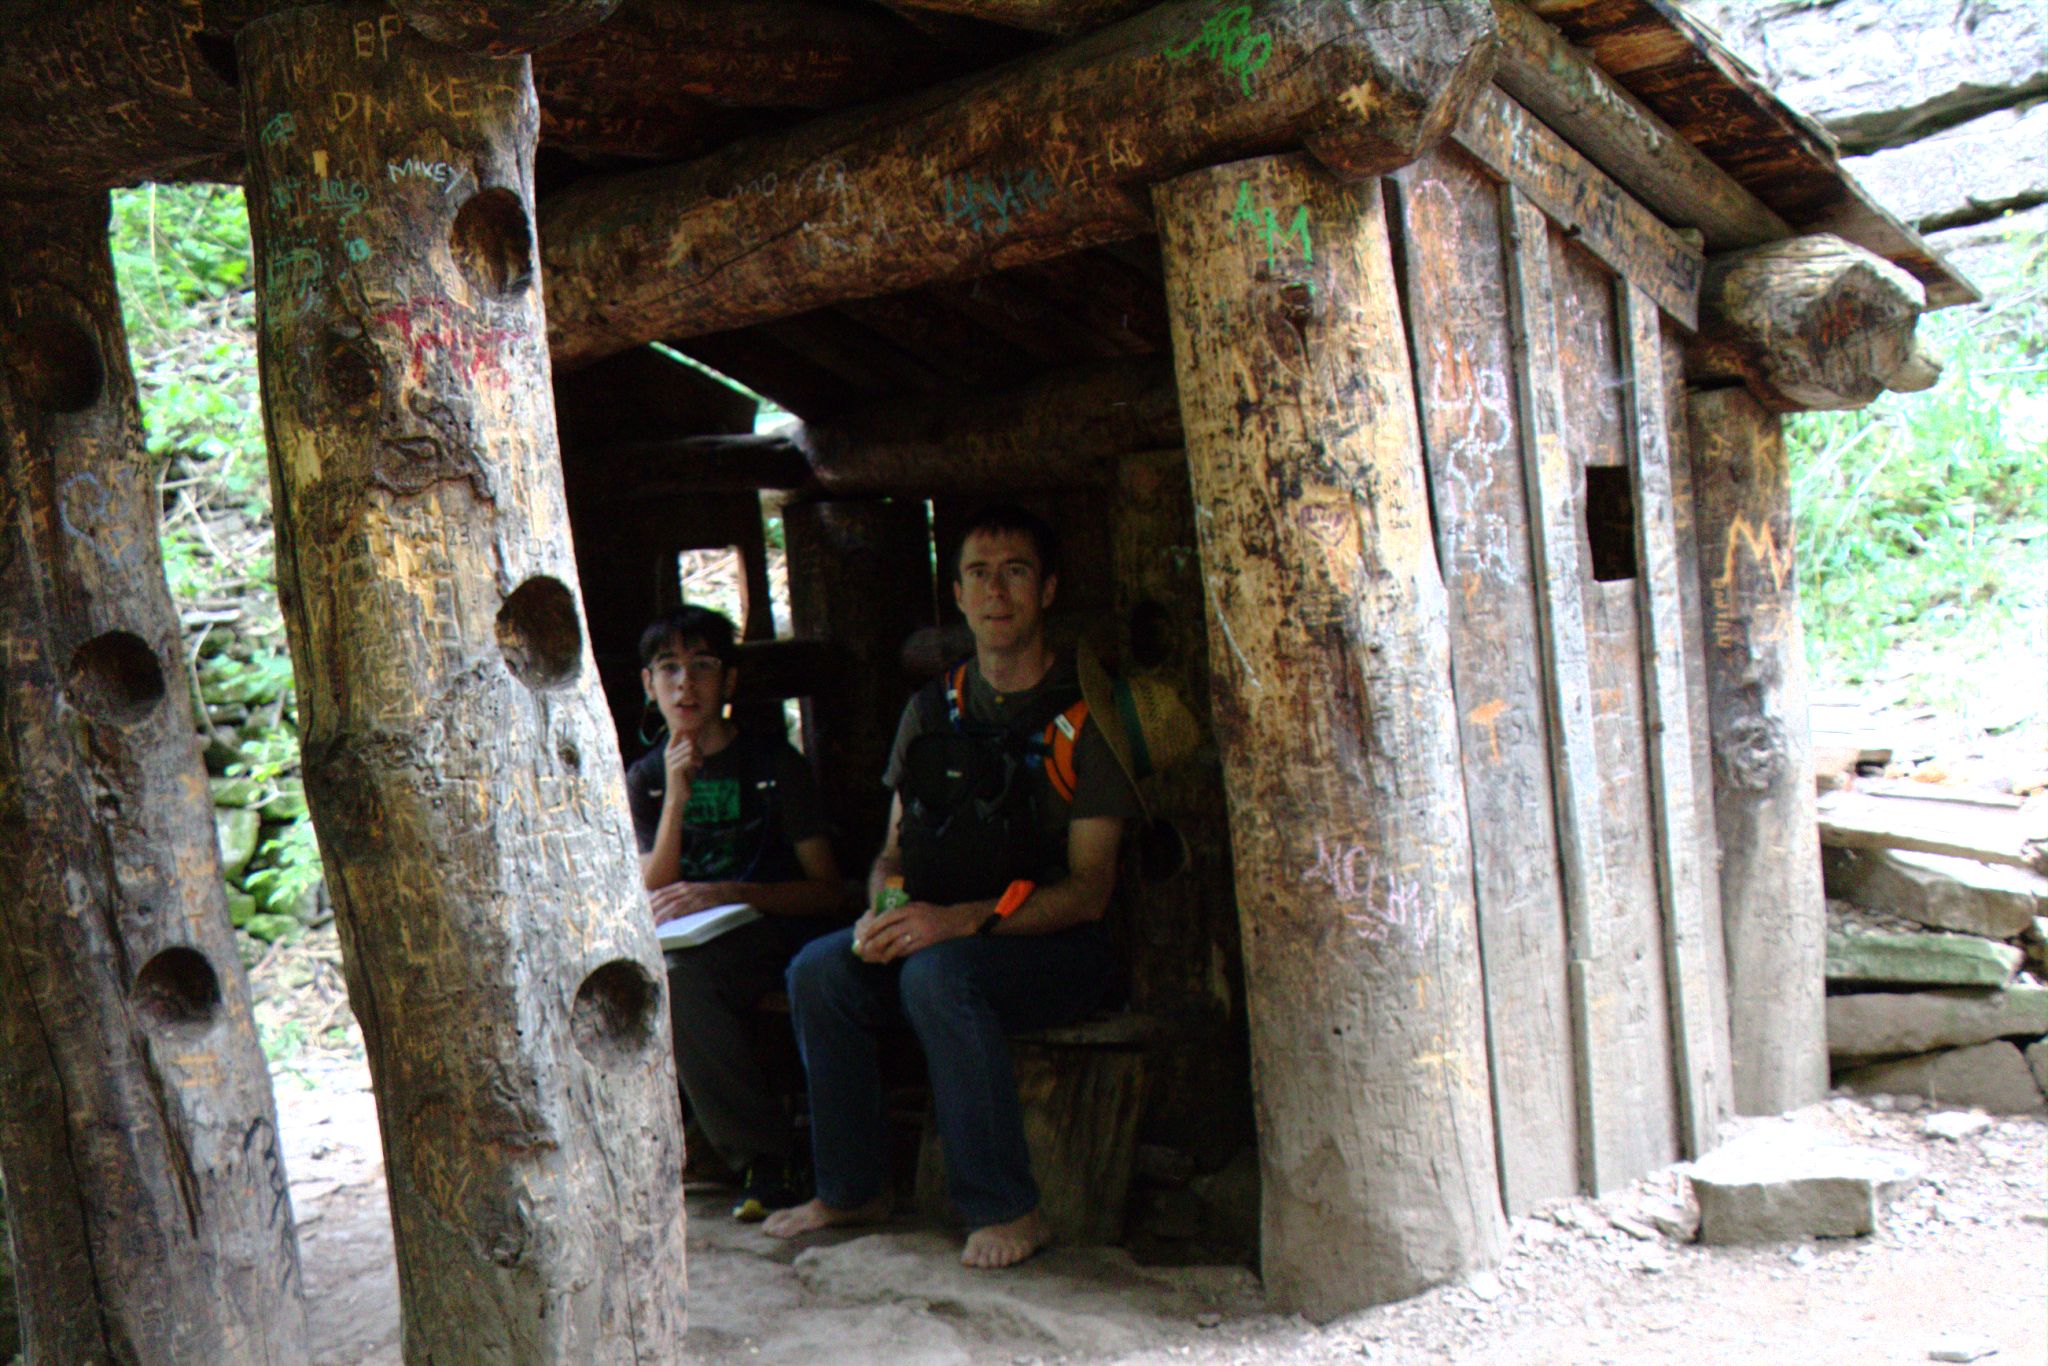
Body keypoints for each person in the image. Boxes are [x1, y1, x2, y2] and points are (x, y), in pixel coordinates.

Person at [764, 506, 1141, 1268]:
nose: (996, 591)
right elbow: (893, 852)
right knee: (821, 970)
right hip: (942, 933)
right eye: (978, 573)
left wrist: (955, 923)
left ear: (1048, 591)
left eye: (1016, 572)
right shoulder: (932, 709)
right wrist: (889, 912)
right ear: (960, 597)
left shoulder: (1084, 715)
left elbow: (1090, 890)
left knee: (939, 976)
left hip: (1059, 950)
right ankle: (851, 1188)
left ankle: (1008, 1207)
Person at [627, 606, 846, 1221]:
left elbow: (828, 890)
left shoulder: (776, 766)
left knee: (687, 980)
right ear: (648, 685)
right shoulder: (644, 778)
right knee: (673, 976)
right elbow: (653, 884)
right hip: (689, 943)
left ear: (729, 682)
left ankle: (766, 1160)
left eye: (702, 667)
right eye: (668, 669)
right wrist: (676, 794)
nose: (684, 685)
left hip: (771, 932)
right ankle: (741, 1153)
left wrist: (734, 893)